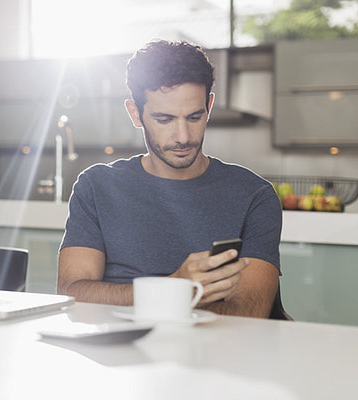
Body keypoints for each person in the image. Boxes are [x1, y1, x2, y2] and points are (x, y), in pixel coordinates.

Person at [57, 40, 282, 318]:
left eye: (194, 116)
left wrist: (146, 297)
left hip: (214, 354)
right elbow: (72, 293)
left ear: (209, 106)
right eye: (164, 119)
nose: (183, 136)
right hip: (117, 352)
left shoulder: (254, 196)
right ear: (135, 113)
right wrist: (173, 288)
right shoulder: (96, 187)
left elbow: (250, 313)